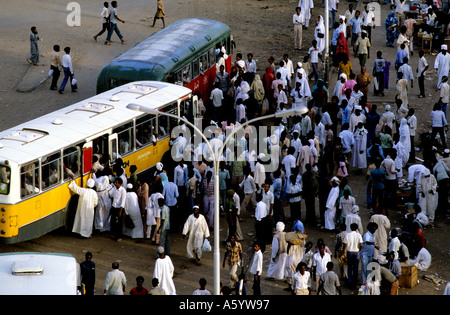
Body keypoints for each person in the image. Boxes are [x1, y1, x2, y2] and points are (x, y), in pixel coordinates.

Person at [109, 177, 127, 242]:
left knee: (119, 223)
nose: (115, 184)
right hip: (114, 207)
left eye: (116, 183)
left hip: (119, 208)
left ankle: (120, 236)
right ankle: (115, 235)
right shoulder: (114, 189)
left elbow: (123, 201)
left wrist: (120, 211)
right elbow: (111, 196)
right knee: (114, 222)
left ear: (119, 184)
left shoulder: (123, 190)